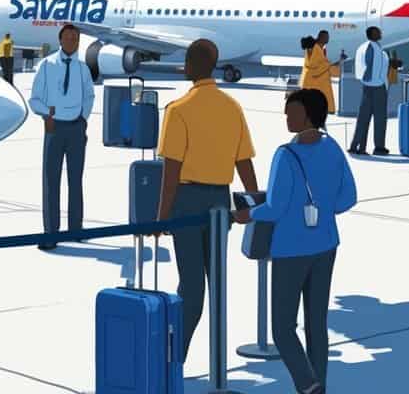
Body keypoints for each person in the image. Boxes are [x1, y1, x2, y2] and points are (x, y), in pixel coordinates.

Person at [233, 89, 357, 394]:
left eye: (292, 112)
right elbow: (348, 197)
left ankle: (307, 383)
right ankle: (320, 384)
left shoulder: (285, 155)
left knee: (282, 327)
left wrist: (247, 214)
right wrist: (323, 209)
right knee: (316, 322)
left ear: (308, 115)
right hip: (326, 243)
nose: (286, 117)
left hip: (291, 249)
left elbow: (274, 207)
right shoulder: (333, 149)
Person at [156, 38, 257, 357]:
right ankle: (217, 366)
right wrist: (251, 204)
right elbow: (244, 162)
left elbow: (170, 174)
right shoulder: (232, 107)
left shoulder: (178, 110)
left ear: (191, 66)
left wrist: (161, 218)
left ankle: (174, 358)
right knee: (217, 285)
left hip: (187, 202)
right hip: (220, 203)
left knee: (190, 288)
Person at [30, 24, 95, 250]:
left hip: (76, 128)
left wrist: (83, 119)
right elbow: (35, 98)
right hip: (54, 128)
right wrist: (46, 114)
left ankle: (76, 230)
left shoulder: (82, 69)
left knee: (75, 181)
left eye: (75, 39)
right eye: (68, 38)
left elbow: (89, 96)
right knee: (51, 181)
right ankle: (51, 233)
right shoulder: (46, 66)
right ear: (60, 40)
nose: (72, 42)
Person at [350, 26, 389, 156]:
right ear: (372, 34)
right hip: (376, 86)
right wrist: (375, 80)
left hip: (368, 86)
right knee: (379, 118)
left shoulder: (368, 46)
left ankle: (357, 146)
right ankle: (378, 147)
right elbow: (370, 66)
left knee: (363, 117)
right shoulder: (372, 48)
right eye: (378, 31)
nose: (380, 33)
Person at [300, 31, 337, 115]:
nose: (328, 39)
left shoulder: (320, 48)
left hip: (319, 83)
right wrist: (330, 65)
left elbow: (323, 64)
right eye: (326, 37)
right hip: (313, 83)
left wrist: (336, 63)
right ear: (321, 37)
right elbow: (314, 65)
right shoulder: (314, 48)